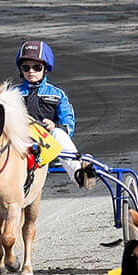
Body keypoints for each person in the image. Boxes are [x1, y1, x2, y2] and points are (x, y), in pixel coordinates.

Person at [11, 40, 96, 189]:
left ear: (45, 69)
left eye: (36, 67)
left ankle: (79, 173)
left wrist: (55, 126)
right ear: (21, 70)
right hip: (19, 144)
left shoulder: (57, 94)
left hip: (47, 147)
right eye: (26, 67)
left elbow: (68, 122)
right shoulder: (11, 94)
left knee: (58, 132)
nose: (31, 71)